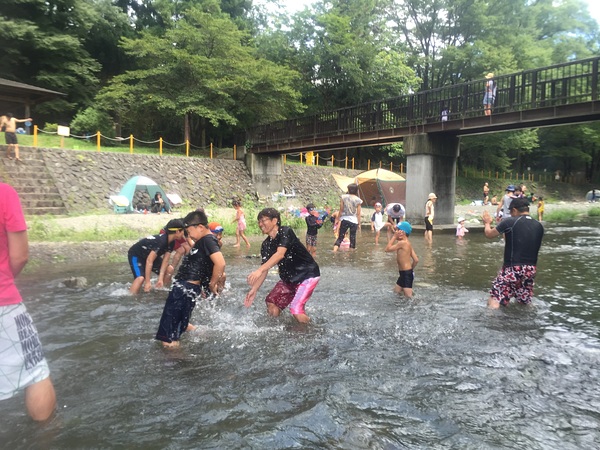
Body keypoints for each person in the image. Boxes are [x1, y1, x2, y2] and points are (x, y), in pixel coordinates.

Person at [0, 182, 56, 421]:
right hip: (3, 301)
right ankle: (46, 439)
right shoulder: (4, 193)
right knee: (35, 372)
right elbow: (20, 256)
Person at [156, 210, 226, 348]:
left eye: (189, 231)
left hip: (184, 289)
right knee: (178, 327)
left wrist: (212, 284)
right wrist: (204, 286)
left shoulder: (208, 239)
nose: (188, 235)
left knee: (168, 338)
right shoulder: (203, 241)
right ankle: (187, 347)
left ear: (200, 227)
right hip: (188, 289)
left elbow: (220, 263)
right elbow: (205, 264)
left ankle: (178, 362)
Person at [245, 208, 320, 323]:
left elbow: (280, 254)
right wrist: (254, 289)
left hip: (307, 275)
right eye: (258, 221)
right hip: (289, 279)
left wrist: (258, 270)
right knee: (271, 302)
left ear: (275, 220)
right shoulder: (266, 244)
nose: (260, 224)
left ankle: (312, 331)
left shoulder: (285, 231)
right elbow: (265, 269)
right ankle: (277, 330)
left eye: (263, 220)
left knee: (296, 310)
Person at [482, 198, 544, 309]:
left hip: (512, 268)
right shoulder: (538, 226)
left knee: (495, 298)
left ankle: (490, 323)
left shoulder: (510, 221)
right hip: (530, 270)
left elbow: (489, 234)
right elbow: (519, 242)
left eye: (511, 212)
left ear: (514, 210)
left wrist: (487, 223)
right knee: (523, 302)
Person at [127, 219, 185, 294]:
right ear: (177, 231)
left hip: (148, 256)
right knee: (140, 278)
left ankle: (160, 289)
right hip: (136, 255)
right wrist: (147, 282)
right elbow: (149, 260)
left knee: (169, 270)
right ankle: (130, 297)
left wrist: (160, 279)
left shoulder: (172, 242)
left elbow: (165, 260)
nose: (184, 234)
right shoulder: (161, 241)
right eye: (183, 231)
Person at [385, 222, 419, 298]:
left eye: (397, 230)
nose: (395, 232)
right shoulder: (408, 243)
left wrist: (393, 237)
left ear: (402, 233)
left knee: (409, 298)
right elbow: (416, 260)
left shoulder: (402, 243)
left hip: (406, 274)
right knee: (396, 293)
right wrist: (411, 271)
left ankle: (420, 307)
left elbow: (387, 249)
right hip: (405, 273)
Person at [333, 183, 363, 252]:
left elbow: (341, 210)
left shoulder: (343, 197)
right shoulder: (358, 200)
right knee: (352, 238)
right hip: (354, 221)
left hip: (344, 219)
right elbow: (358, 214)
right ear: (356, 191)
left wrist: (337, 219)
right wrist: (359, 224)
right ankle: (351, 255)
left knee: (340, 237)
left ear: (348, 190)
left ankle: (334, 251)